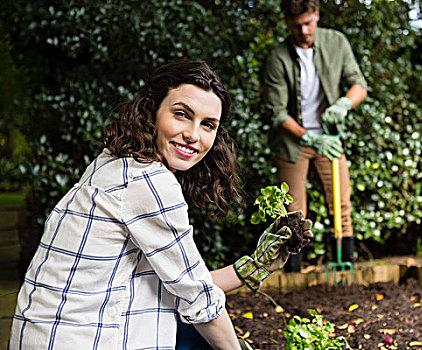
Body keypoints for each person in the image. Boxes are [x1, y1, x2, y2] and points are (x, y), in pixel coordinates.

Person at [9, 60, 312, 349]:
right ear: (152, 110)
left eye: (208, 124)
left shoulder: (115, 161)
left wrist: (254, 266)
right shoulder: (149, 183)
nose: (193, 135)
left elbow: (182, 283)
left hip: (47, 334)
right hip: (79, 339)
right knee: (204, 335)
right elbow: (200, 302)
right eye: (182, 114)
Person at [263, 0, 368, 272]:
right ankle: (293, 275)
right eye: (297, 25)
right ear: (287, 22)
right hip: (292, 144)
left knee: (341, 206)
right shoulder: (277, 57)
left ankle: (345, 269)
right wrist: (309, 137)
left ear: (317, 15)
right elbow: (276, 112)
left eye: (308, 23)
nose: (304, 31)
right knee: (292, 214)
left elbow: (359, 84)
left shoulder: (336, 43)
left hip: (330, 141)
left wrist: (344, 103)